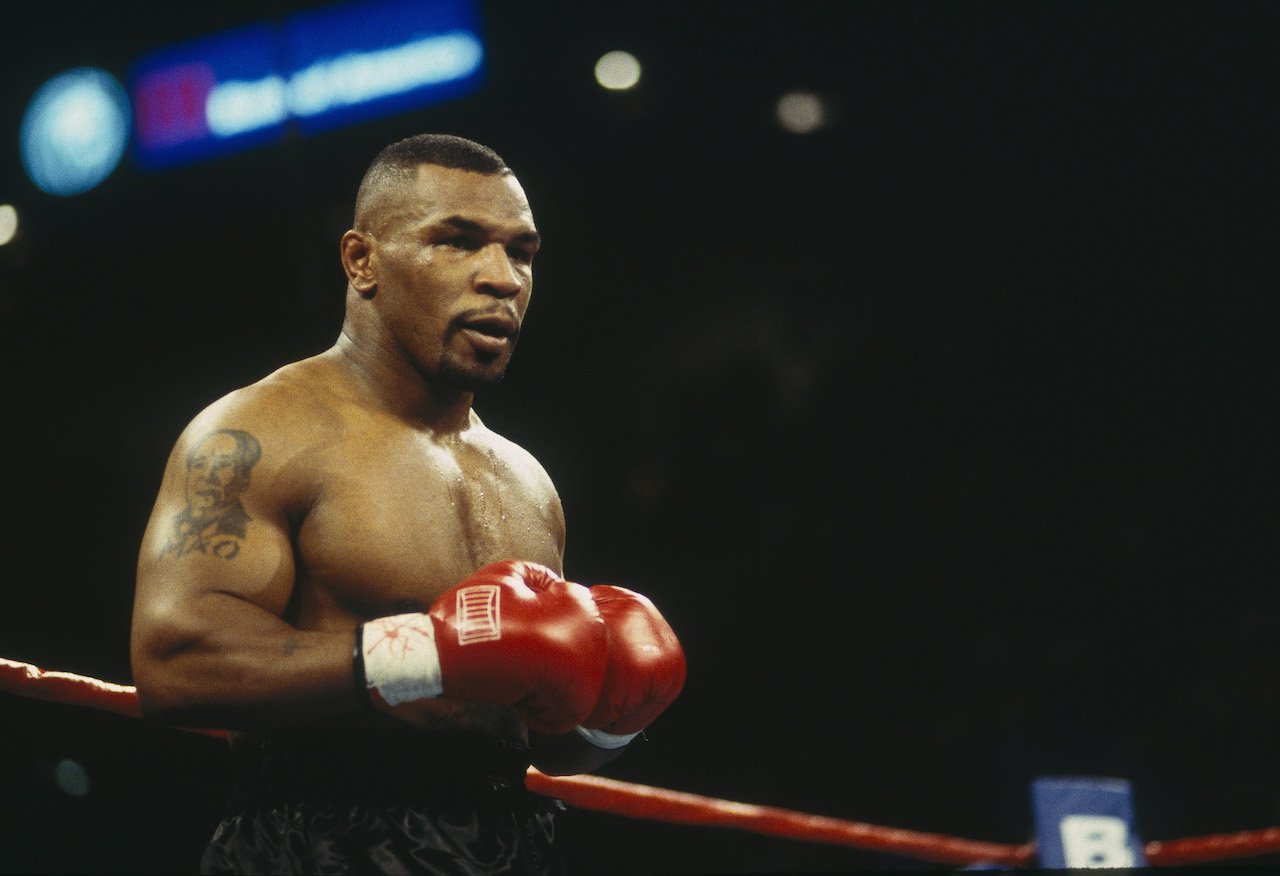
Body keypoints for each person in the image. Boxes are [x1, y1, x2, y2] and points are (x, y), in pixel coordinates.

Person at [130, 133, 686, 875]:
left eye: (521, 253)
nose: (501, 278)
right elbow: (174, 664)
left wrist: (611, 719)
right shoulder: (258, 432)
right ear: (362, 261)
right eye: (457, 242)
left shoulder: (527, 482)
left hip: (507, 845)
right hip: (316, 840)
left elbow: (534, 738)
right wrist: (425, 653)